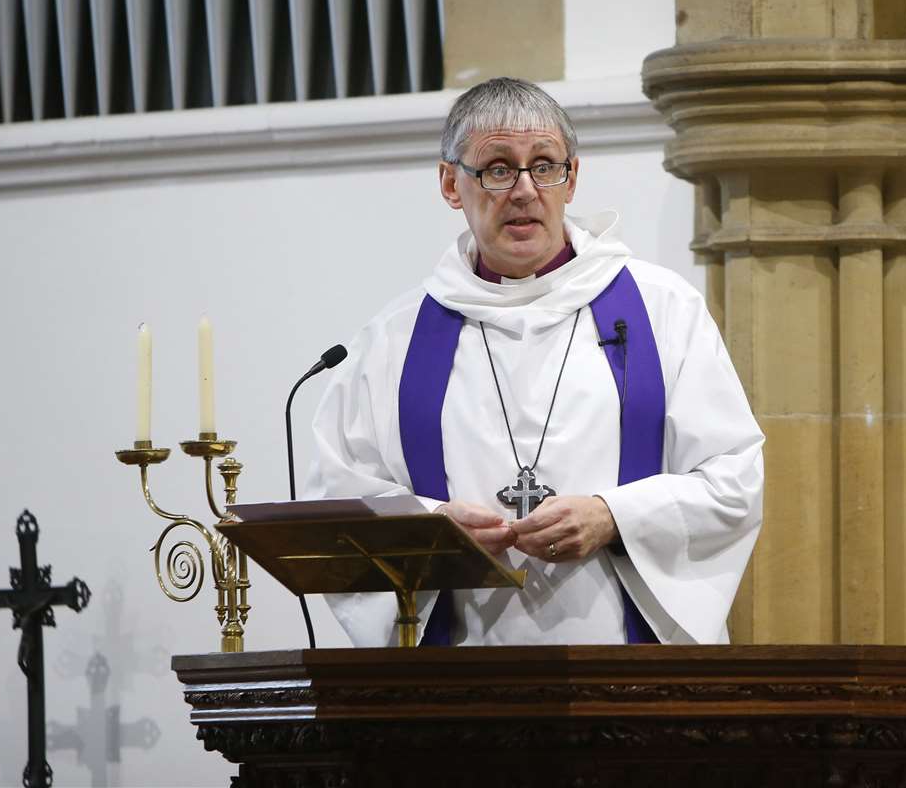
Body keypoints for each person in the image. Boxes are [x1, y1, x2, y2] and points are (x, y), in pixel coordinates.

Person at [304, 78, 764, 646]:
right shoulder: (393, 339)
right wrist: (433, 531)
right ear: (451, 184)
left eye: (544, 165)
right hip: (455, 684)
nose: (524, 190)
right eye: (497, 168)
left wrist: (613, 516)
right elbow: (336, 505)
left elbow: (734, 480)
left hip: (630, 680)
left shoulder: (662, 309)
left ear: (571, 179)